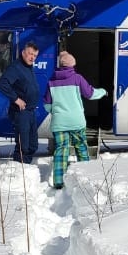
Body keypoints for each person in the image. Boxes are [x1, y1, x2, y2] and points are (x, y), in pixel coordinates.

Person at [44, 50, 107, 189]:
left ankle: (59, 182)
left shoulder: (51, 82)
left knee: (61, 150)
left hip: (59, 123)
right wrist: (103, 91)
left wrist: (57, 110)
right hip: (76, 121)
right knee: (81, 148)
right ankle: (86, 177)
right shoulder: (77, 78)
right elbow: (90, 94)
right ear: (72, 65)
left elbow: (47, 106)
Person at [0, 40, 42, 164]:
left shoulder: (28, 68)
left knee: (33, 145)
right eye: (30, 53)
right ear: (23, 52)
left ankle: (26, 168)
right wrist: (16, 99)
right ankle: (20, 170)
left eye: (35, 55)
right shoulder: (16, 67)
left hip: (31, 112)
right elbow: (2, 83)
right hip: (21, 112)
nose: (32, 57)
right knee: (24, 146)